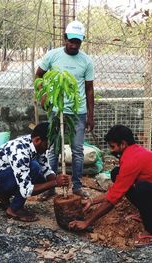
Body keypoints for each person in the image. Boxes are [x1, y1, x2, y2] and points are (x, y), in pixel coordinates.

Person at [68, 125, 152, 247]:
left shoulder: (132, 159)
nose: (111, 150)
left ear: (123, 144)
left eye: (113, 146)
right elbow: (118, 189)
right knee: (116, 173)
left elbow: (113, 199)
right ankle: (148, 212)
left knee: (142, 187)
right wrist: (91, 201)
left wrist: (87, 222)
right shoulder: (133, 152)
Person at [35, 20, 95, 199]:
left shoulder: (86, 61)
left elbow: (89, 89)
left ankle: (76, 186)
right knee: (53, 150)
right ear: (65, 38)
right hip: (56, 110)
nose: (74, 44)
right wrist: (43, 95)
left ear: (82, 41)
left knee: (77, 150)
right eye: (71, 40)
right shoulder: (52, 56)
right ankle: (50, 187)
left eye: (78, 41)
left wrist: (91, 115)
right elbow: (39, 76)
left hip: (78, 112)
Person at [0, 122, 71, 222]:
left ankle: (3, 197)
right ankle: (14, 209)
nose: (47, 148)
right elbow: (26, 190)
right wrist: (55, 183)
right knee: (34, 167)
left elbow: (46, 169)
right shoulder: (20, 152)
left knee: (41, 177)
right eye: (47, 145)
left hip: (4, 175)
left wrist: (58, 179)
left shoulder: (35, 143)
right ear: (37, 140)